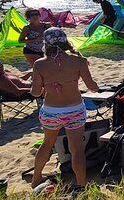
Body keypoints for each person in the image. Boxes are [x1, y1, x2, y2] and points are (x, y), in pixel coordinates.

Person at [30, 28, 99, 189]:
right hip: (74, 109)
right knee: (76, 149)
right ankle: (81, 184)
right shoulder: (78, 61)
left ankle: (36, 179)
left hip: (51, 111)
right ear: (66, 41)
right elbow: (92, 87)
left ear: (46, 44)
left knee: (47, 144)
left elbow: (35, 92)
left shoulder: (39, 64)